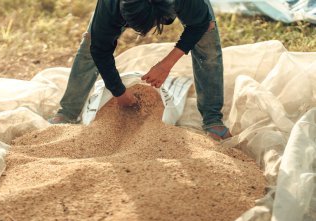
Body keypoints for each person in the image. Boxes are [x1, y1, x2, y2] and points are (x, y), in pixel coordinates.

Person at [48, 0, 232, 141]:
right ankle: (68, 111)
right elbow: (100, 49)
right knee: (91, 42)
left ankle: (212, 118)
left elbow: (200, 24)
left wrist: (165, 65)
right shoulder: (111, 6)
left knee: (207, 41)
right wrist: (119, 92)